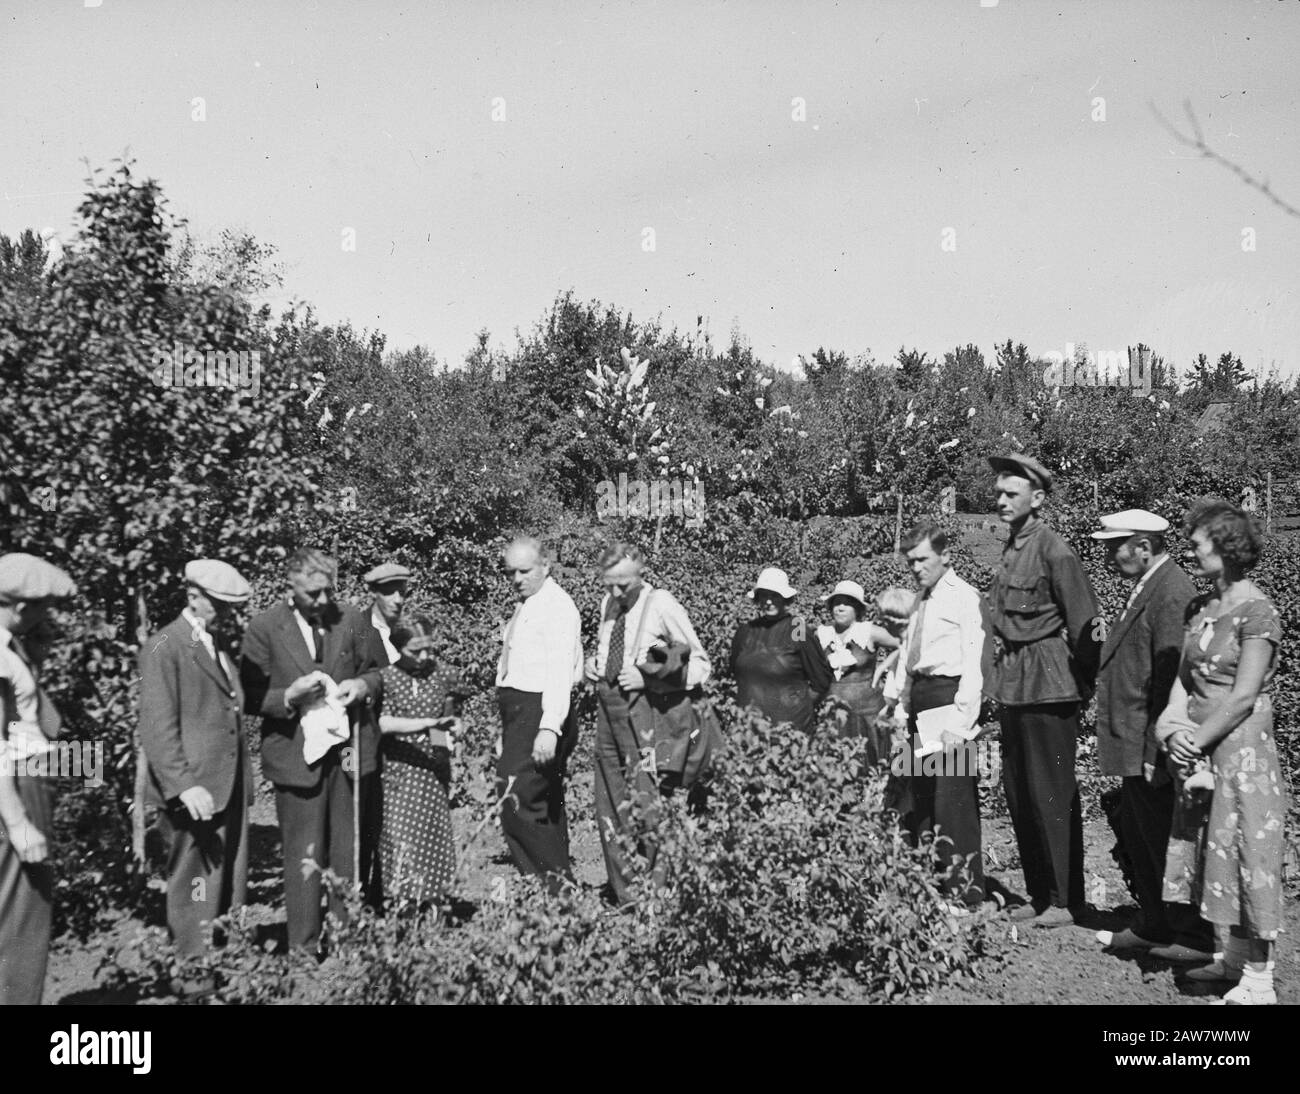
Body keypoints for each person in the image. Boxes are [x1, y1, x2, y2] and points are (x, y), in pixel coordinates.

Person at [1156, 500, 1285, 1005]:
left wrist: (1198, 738)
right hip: (1201, 745)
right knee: (1213, 848)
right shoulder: (1202, 610)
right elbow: (1182, 684)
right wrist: (1174, 731)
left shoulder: (1258, 612)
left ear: (1227, 547)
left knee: (1249, 850)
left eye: (1198, 540)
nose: (1191, 547)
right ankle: (1229, 957)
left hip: (1242, 752)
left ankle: (1259, 977)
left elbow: (1243, 696)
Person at [239, 548, 384, 953]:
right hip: (295, 756)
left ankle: (345, 941)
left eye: (328, 592)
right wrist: (288, 695)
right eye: (312, 594)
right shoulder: (264, 627)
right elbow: (248, 696)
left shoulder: (353, 619)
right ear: (291, 588)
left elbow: (378, 671)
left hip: (348, 755)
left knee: (346, 850)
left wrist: (363, 687)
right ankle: (302, 948)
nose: (322, 601)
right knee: (303, 856)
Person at [1088, 510, 1213, 961]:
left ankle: (1192, 936)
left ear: (1143, 546)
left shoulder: (1172, 592)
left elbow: (1170, 680)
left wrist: (1153, 751)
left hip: (1151, 743)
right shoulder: (1150, 586)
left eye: (1114, 545)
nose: (1107, 553)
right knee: (1144, 837)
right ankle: (1155, 924)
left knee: (1166, 838)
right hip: (1135, 739)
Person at [985, 453, 1101, 927]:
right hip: (1015, 685)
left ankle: (1066, 899)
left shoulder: (1056, 550)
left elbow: (1089, 626)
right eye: (998, 493)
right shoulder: (1013, 546)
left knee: (1053, 794)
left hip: (1051, 687)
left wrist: (1082, 686)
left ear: (1037, 498)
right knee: (1020, 794)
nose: (1000, 501)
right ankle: (1038, 892)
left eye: (1010, 494)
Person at [139, 559, 254, 979]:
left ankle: (223, 962)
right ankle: (193, 976)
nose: (227, 614)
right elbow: (156, 725)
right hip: (195, 788)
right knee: (194, 883)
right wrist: (183, 784)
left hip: (228, 784)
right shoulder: (163, 646)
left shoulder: (218, 644)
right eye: (219, 605)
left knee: (227, 880)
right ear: (193, 596)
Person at [584, 543, 711, 907]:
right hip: (608, 709)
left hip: (646, 712)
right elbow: (610, 652)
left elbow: (701, 664)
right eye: (608, 584)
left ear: (640, 573)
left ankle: (658, 893)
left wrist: (650, 680)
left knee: (649, 799)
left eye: (623, 584)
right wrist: (594, 666)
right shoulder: (608, 603)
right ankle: (626, 894)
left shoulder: (661, 604)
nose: (615, 593)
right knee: (609, 798)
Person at [883, 522, 988, 909]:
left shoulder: (965, 597)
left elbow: (976, 665)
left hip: (950, 703)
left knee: (953, 802)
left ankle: (966, 894)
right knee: (922, 801)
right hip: (921, 705)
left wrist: (962, 724)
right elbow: (909, 660)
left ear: (945, 556)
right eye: (910, 561)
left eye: (922, 559)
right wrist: (900, 708)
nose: (916, 568)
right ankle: (932, 888)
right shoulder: (919, 601)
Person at [0, 553, 76, 1005]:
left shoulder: (11, 650)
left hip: (29, 778)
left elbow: (46, 721)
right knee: (20, 917)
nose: (47, 615)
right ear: (20, 605)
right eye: (43, 606)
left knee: (23, 912)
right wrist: (17, 821)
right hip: (16, 789)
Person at [495, 537, 583, 888]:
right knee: (544, 801)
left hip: (542, 712)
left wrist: (549, 728)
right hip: (521, 714)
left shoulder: (558, 606)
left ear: (546, 565)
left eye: (525, 571)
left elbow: (560, 672)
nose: (517, 579)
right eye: (511, 572)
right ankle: (556, 895)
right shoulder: (529, 603)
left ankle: (554, 889)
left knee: (516, 797)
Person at [375, 614, 468, 908]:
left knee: (432, 836)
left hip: (432, 769)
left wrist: (449, 741)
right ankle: (401, 903)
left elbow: (449, 716)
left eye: (429, 648)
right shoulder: (386, 679)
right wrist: (428, 723)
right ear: (398, 649)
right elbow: (382, 724)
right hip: (399, 771)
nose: (424, 656)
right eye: (416, 651)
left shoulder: (441, 674)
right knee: (401, 836)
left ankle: (433, 903)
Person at [730, 567, 833, 734]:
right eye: (764, 595)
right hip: (748, 727)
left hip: (788, 729)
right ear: (757, 598)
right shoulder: (746, 630)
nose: (769, 601)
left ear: (785, 599)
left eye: (775, 595)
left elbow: (821, 681)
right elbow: (734, 671)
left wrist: (797, 707)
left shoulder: (796, 628)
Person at [816, 579, 899, 763]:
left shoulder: (869, 632)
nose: (840, 608)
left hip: (868, 714)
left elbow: (904, 645)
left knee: (869, 765)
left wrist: (885, 668)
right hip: (834, 715)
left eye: (847, 603)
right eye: (836, 603)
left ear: (858, 609)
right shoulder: (822, 633)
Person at [365, 561, 411, 665]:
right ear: (373, 592)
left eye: (402, 593)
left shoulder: (409, 630)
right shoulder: (357, 629)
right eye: (389, 592)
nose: (398, 600)